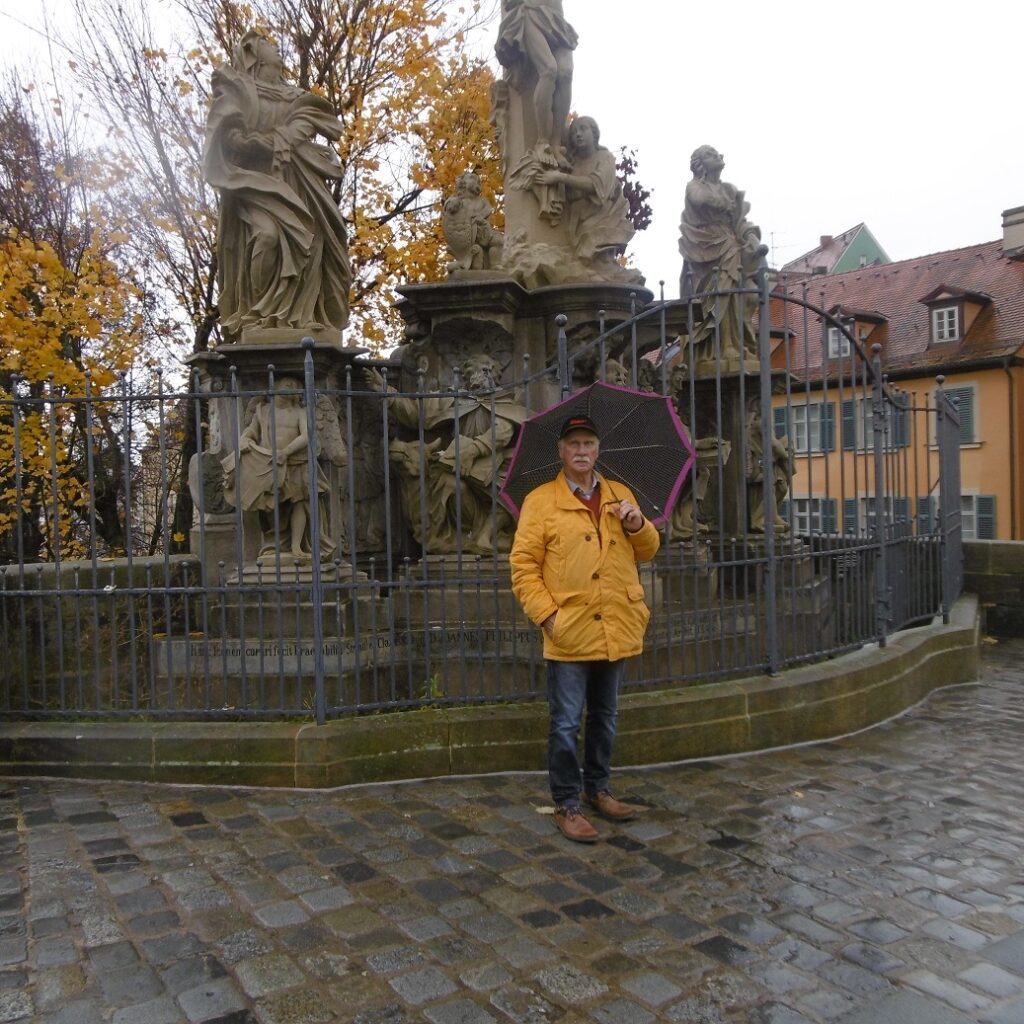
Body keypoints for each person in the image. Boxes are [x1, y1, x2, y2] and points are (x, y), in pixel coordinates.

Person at [510, 414, 661, 842]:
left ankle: (599, 789)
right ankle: (567, 803)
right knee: (565, 722)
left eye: (589, 443)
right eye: (573, 444)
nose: (581, 451)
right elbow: (523, 567)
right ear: (561, 451)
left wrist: (638, 524)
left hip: (617, 623)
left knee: (606, 716)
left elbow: (648, 551)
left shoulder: (620, 494)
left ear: (598, 450)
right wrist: (548, 616)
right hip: (570, 629)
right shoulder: (540, 501)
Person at [203, 30, 352, 339]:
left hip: (297, 180)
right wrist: (246, 142)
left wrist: (277, 139)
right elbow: (225, 134)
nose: (277, 50)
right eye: (269, 46)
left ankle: (300, 318)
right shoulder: (239, 92)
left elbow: (307, 120)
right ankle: (259, 316)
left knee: (312, 243)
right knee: (268, 236)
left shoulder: (294, 96)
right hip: (255, 185)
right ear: (255, 57)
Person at [678, 144, 768, 363]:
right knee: (716, 296)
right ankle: (723, 345)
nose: (718, 156)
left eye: (717, 153)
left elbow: (740, 221)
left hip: (729, 246)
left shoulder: (728, 190)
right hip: (704, 249)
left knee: (738, 294)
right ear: (699, 164)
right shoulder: (694, 187)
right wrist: (724, 204)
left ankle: (735, 344)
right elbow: (699, 199)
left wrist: (751, 237)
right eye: (710, 154)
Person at [540, 116, 635, 274]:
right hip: (573, 222)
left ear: (595, 133)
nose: (578, 134)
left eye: (583, 129)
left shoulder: (605, 158)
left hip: (599, 219)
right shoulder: (571, 161)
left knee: (596, 266)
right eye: (574, 132)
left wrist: (560, 177)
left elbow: (594, 185)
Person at [495, 0, 577, 164]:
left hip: (556, 17)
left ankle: (556, 142)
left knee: (566, 73)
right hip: (531, 13)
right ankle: (542, 141)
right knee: (549, 70)